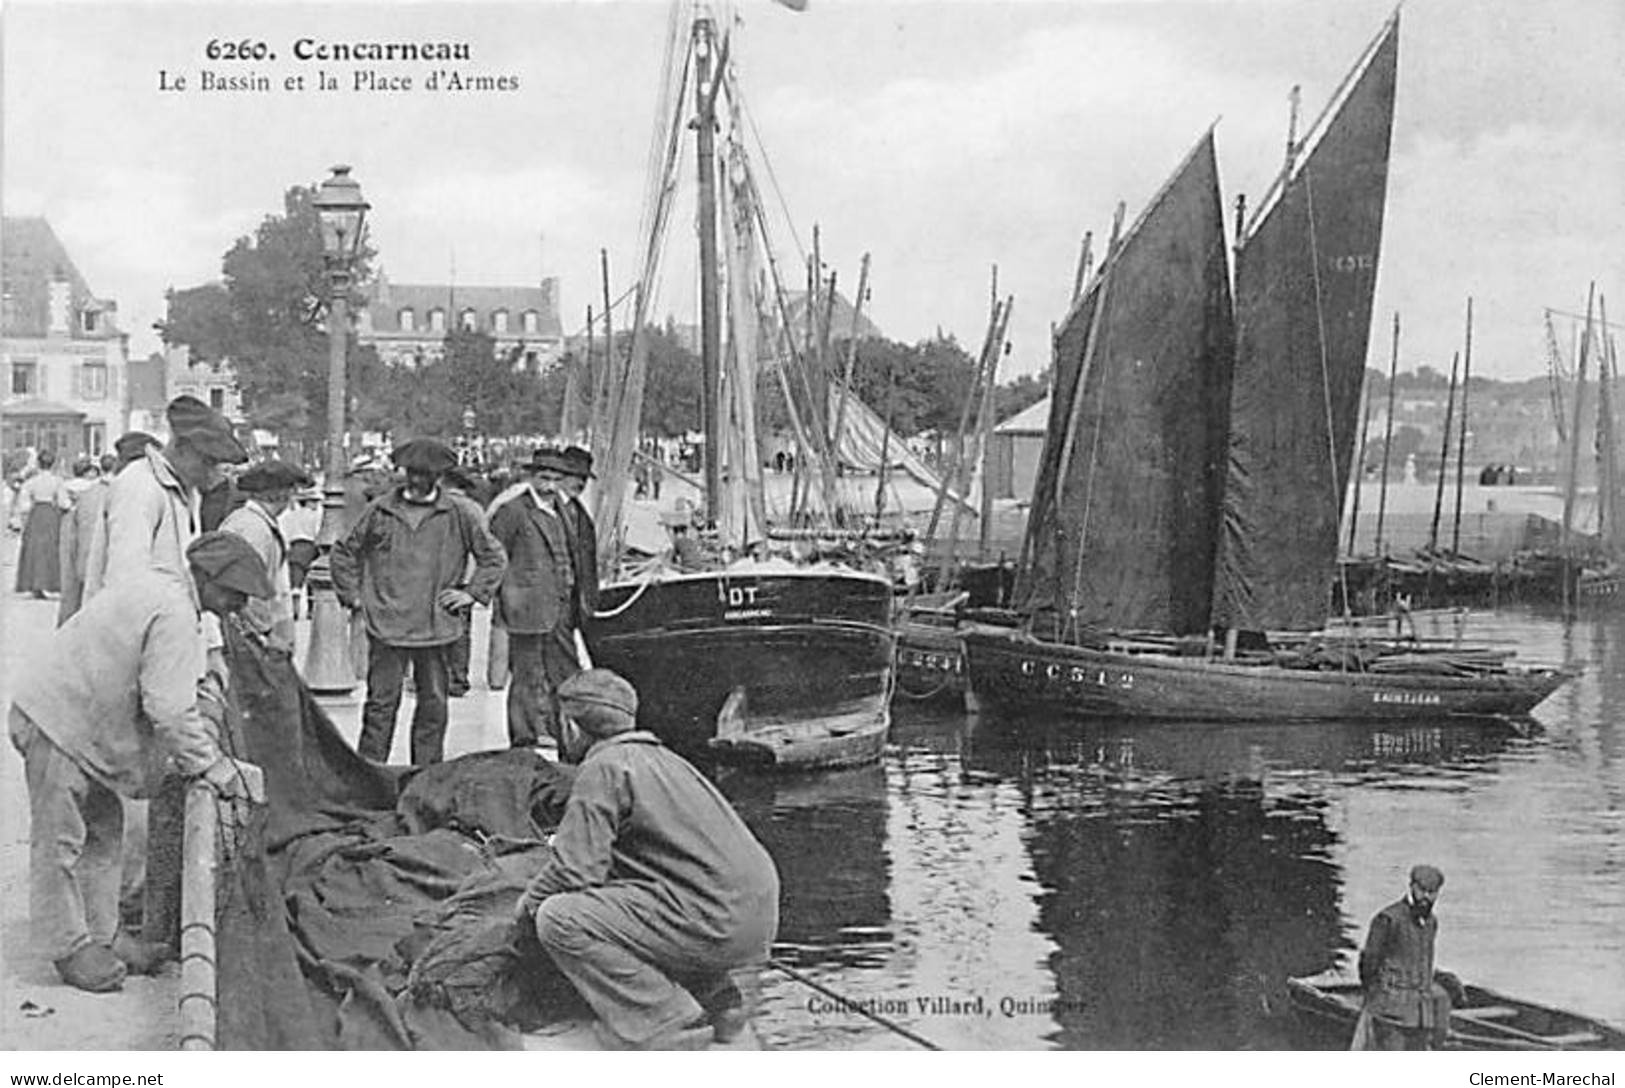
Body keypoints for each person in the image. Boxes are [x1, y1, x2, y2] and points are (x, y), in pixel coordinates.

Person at [8, 532, 270, 993]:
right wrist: (211, 765)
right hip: (59, 720)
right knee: (60, 842)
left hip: (84, 721)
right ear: (208, 580)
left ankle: (104, 933)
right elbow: (168, 708)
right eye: (233, 593)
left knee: (104, 833)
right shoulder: (172, 611)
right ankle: (68, 948)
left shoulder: (164, 586)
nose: (237, 605)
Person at [514, 669, 780, 1050]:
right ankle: (721, 1003)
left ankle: (666, 1024)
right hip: (753, 914)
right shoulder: (668, 760)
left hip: (716, 920)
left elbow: (575, 871)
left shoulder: (603, 767)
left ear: (571, 727)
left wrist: (527, 907)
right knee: (634, 899)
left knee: (559, 917)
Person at [330, 438, 506, 765]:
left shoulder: (461, 513)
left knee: (434, 706)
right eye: (411, 473)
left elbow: (493, 558)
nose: (416, 480)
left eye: (425, 474)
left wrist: (470, 594)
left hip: (436, 625)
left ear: (439, 477)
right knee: (380, 705)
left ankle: (425, 775)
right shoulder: (380, 510)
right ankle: (371, 776)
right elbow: (343, 552)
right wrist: (354, 597)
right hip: (387, 625)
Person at [489, 447, 581, 748]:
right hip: (525, 608)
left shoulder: (564, 511)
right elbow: (494, 556)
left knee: (564, 674)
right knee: (526, 677)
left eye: (556, 478)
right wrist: (503, 600)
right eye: (544, 477)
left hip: (560, 609)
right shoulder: (514, 511)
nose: (550, 485)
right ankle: (524, 738)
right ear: (531, 476)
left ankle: (562, 734)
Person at [1356, 864, 1459, 1050]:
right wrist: (1378, 997)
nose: (1427, 897)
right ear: (1412, 887)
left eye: (1432, 892)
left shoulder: (1431, 922)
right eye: (1422, 891)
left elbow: (1424, 963)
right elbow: (1369, 963)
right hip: (1391, 1013)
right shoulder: (1388, 918)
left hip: (1421, 1015)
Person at [220, 459, 313, 653]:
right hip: (251, 640)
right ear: (280, 493)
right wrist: (266, 634)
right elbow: (247, 592)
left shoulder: (254, 522)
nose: (292, 497)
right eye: (290, 490)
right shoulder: (254, 529)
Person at [559, 445, 601, 626]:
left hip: (573, 606)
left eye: (584, 478)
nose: (580, 483)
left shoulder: (580, 514)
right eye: (574, 476)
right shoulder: (547, 507)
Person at [12, 450, 65, 598]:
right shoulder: (57, 481)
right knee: (51, 547)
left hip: (36, 513)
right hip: (51, 514)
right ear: (53, 464)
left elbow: (24, 505)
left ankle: (34, 584)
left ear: (38, 464)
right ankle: (49, 583)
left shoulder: (31, 482)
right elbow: (63, 502)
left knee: (34, 547)